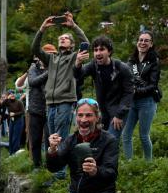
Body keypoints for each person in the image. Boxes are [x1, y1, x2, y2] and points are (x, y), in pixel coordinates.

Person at [32, 13, 89, 142]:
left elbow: (86, 43)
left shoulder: (74, 56)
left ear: (72, 44)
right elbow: (35, 49)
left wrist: (74, 26)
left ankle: (62, 162)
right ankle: (56, 162)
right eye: (60, 38)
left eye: (66, 38)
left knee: (60, 139)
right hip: (50, 104)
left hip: (65, 102)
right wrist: (42, 29)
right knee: (52, 140)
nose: (62, 39)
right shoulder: (51, 58)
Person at [75, 36, 134, 138]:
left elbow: (129, 92)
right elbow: (78, 76)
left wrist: (119, 115)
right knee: (100, 141)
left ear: (109, 51)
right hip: (102, 112)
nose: (98, 53)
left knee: (111, 140)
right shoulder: (93, 65)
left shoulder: (122, 68)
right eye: (95, 50)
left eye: (102, 49)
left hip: (118, 110)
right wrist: (78, 64)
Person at [122, 31, 161, 161]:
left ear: (151, 44)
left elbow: (153, 85)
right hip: (132, 102)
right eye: (140, 40)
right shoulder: (131, 60)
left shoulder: (154, 61)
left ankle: (148, 164)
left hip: (147, 102)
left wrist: (136, 91)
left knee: (144, 135)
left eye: (146, 40)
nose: (142, 43)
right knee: (126, 134)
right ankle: (129, 163)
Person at [27, 45, 54, 168]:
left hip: (51, 108)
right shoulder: (33, 68)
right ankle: (37, 166)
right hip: (35, 109)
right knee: (36, 140)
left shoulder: (56, 67)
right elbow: (33, 82)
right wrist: (49, 72)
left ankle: (50, 165)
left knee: (50, 139)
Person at [3, 90, 26, 154]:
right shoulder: (8, 102)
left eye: (13, 94)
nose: (12, 95)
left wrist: (15, 114)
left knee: (16, 137)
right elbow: (2, 105)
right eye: (10, 94)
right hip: (12, 120)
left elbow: (22, 112)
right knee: (10, 136)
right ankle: (11, 152)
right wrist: (7, 98)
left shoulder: (19, 102)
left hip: (19, 120)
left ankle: (15, 151)